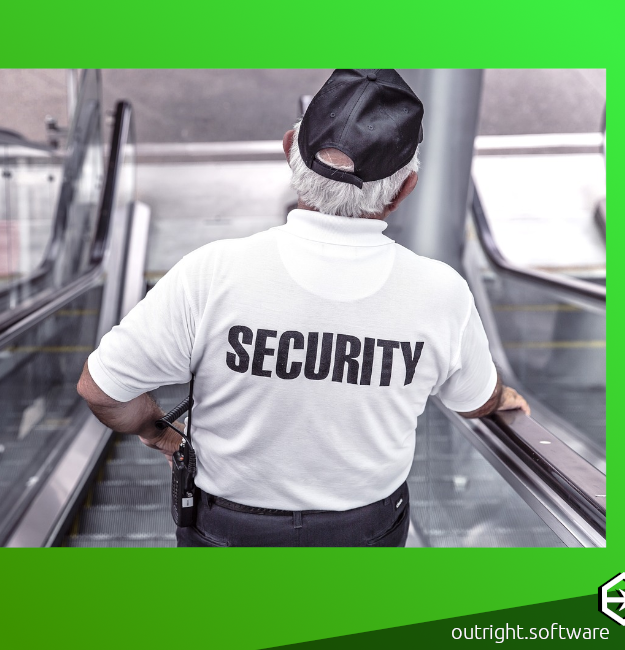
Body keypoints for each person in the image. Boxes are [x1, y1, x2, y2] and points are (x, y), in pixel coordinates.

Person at [77, 69, 529, 547]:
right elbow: (475, 399)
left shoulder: (212, 272)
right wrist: (501, 396)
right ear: (404, 189)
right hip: (365, 534)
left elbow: (101, 389)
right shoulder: (442, 294)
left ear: (290, 148)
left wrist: (158, 431)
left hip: (228, 533)